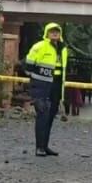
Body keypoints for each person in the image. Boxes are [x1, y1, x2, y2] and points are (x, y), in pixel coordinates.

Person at [24, 23, 68, 157]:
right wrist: (36, 82)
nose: (54, 34)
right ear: (47, 33)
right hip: (41, 85)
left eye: (57, 31)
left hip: (56, 85)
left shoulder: (63, 48)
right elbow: (27, 66)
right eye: (52, 31)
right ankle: (39, 147)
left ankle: (45, 146)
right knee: (42, 114)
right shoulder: (39, 46)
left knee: (50, 116)